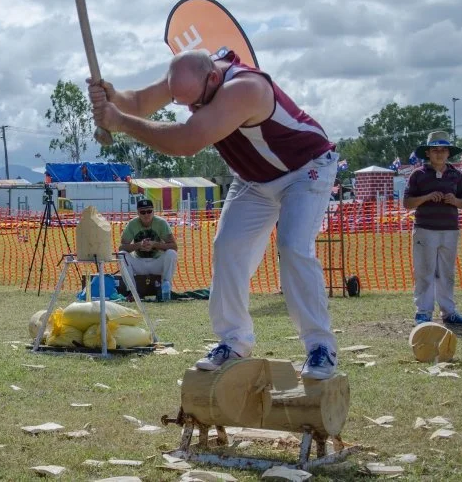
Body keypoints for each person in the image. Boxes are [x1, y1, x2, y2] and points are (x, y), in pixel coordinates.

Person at [88, 48, 339, 379]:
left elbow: (187, 141)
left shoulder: (245, 89)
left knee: (293, 246)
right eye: (182, 102)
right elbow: (137, 103)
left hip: (305, 168)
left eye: (197, 103)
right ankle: (234, 340)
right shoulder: (189, 77)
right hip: (254, 179)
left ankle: (320, 347)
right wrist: (113, 97)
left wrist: (119, 122)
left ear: (214, 78)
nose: (191, 109)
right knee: (228, 248)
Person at [402, 131, 462, 326]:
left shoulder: (456, 175)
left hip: (450, 230)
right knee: (425, 271)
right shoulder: (418, 175)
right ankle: (423, 312)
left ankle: (449, 311)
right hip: (425, 229)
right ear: (428, 153)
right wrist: (427, 196)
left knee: (446, 272)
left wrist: (454, 200)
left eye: (443, 150)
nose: (439, 154)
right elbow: (407, 203)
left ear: (449, 153)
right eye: (435, 150)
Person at [119, 198, 177, 301]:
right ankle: (132, 291)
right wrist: (139, 245)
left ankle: (165, 288)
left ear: (153, 211)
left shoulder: (161, 223)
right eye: (143, 212)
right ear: (138, 213)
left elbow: (174, 246)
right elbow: (122, 247)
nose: (146, 215)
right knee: (121, 255)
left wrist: (155, 244)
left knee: (171, 253)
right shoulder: (132, 224)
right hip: (139, 263)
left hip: (157, 262)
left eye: (149, 211)